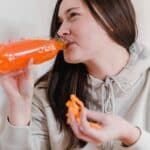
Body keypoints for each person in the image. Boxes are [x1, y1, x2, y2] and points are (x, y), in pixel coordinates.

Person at [0, 0, 150, 149]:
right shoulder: (45, 95)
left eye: (73, 15)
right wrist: (19, 109)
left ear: (111, 19)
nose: (60, 31)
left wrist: (130, 135)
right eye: (60, 22)